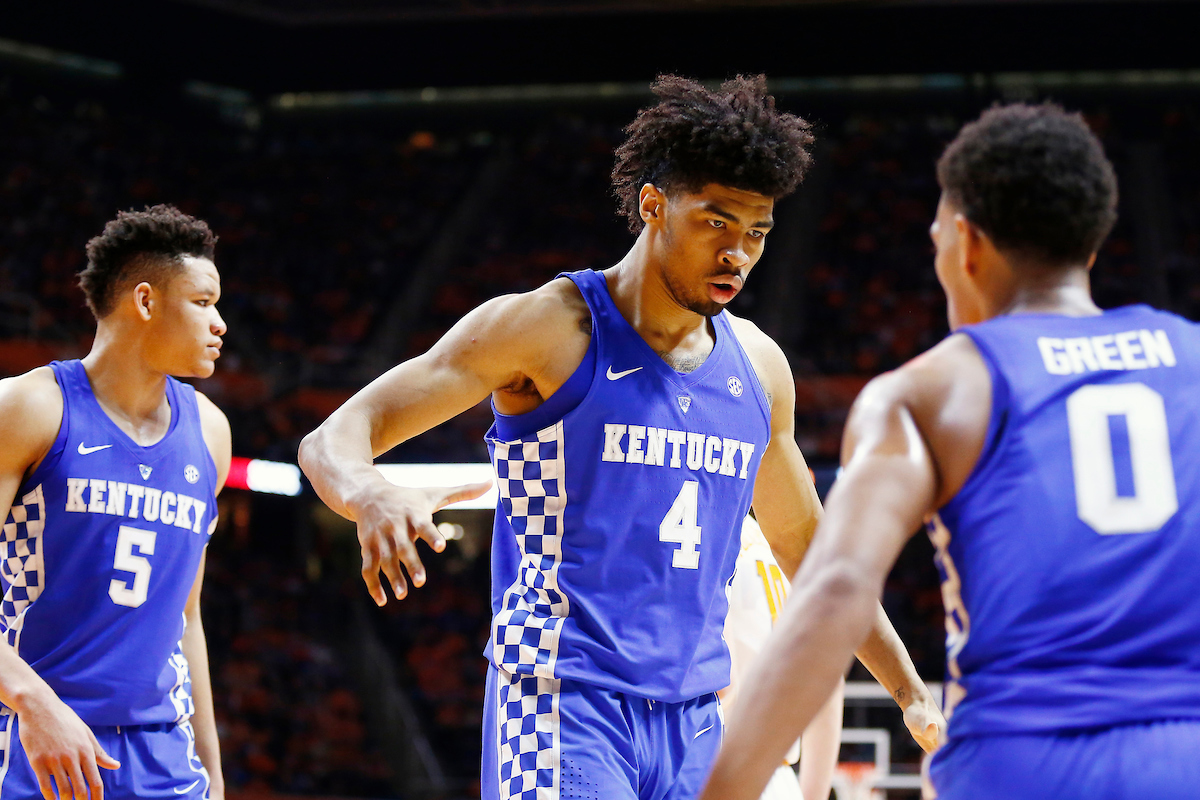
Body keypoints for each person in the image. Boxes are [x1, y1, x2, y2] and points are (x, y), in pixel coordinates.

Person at [300, 75, 942, 800]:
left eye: (757, 233)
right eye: (716, 223)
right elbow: (334, 437)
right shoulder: (548, 329)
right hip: (560, 699)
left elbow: (813, 552)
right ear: (652, 206)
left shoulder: (759, 369)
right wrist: (369, 492)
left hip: (697, 718)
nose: (738, 252)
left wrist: (910, 690)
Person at [700, 102, 1200, 800]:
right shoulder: (1192, 359)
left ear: (963, 244)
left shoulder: (931, 391)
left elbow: (836, 591)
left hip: (1017, 757)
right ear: (1090, 247)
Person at [0, 205, 230, 800]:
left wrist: (216, 775)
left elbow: (188, 618)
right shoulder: (28, 408)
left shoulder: (210, 431)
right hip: (30, 733)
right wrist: (31, 702)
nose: (220, 323)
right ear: (146, 301)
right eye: (203, 303)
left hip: (163, 754)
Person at [723, 516, 842, 800]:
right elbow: (828, 679)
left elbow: (722, 685)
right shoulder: (785, 543)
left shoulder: (707, 535)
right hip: (780, 781)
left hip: (715, 773)